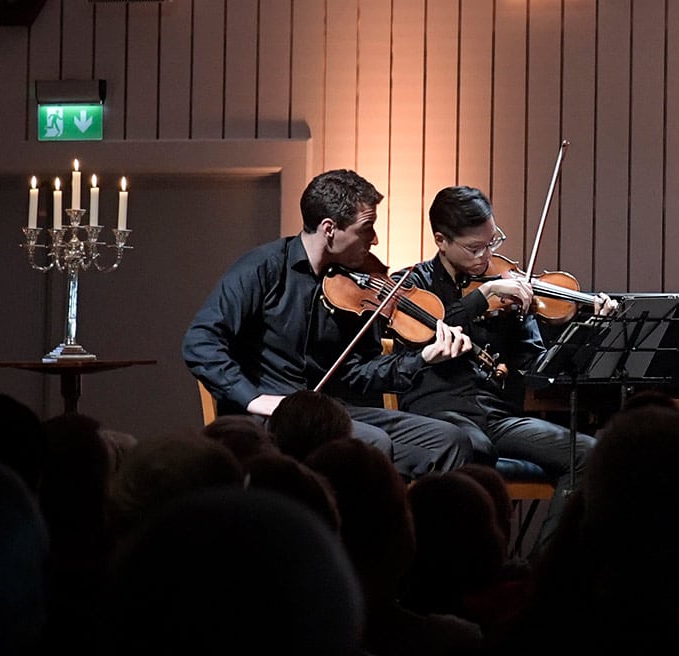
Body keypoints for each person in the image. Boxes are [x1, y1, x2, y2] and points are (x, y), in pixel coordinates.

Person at [183, 168, 472, 481]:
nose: (374, 240)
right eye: (367, 228)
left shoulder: (352, 285)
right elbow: (201, 341)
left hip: (329, 413)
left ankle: (410, 528)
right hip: (273, 418)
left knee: (450, 440)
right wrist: (253, 398)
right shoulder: (264, 268)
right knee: (373, 443)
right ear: (329, 228)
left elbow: (356, 373)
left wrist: (422, 360)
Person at [391, 186, 613, 540]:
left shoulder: (507, 285)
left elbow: (535, 367)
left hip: (499, 418)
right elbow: (430, 325)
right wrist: (483, 297)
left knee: (589, 453)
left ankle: (544, 569)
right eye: (475, 248)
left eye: (492, 242)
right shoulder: (410, 285)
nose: (487, 256)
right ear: (441, 240)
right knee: (472, 446)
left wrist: (586, 329)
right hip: (440, 416)